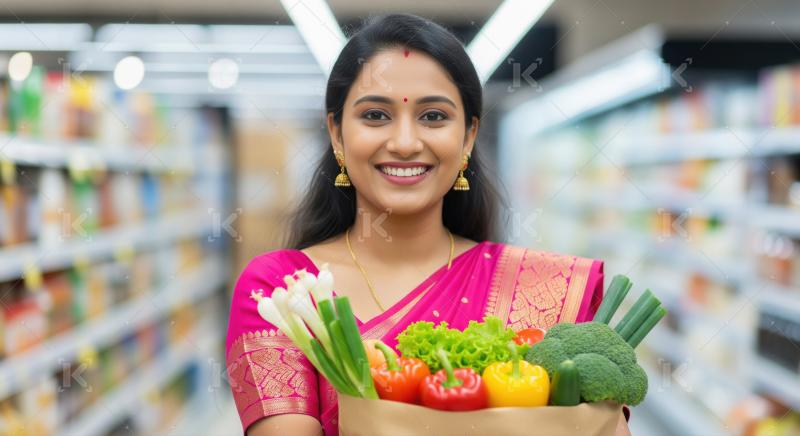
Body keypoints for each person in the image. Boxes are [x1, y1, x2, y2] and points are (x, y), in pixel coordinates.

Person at [225, 12, 630, 436]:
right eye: (376, 116)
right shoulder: (284, 293)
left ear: (468, 136)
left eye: (434, 116)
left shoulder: (544, 290)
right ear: (337, 135)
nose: (404, 143)